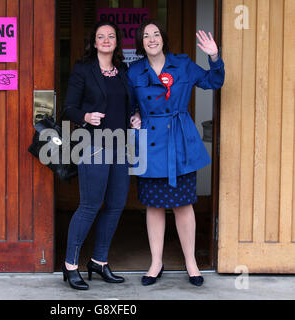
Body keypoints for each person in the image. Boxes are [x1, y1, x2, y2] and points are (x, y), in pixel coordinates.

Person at [127, 20, 225, 287]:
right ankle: (156, 262)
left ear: (163, 38)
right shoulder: (134, 71)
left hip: (180, 140)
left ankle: (191, 262)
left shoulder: (182, 64)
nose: (151, 39)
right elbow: (126, 103)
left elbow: (214, 81)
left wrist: (214, 55)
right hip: (150, 142)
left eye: (156, 34)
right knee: (154, 206)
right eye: (146, 36)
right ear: (141, 43)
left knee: (183, 204)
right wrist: (133, 116)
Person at [61, 21, 141, 290]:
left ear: (117, 42)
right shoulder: (83, 70)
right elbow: (68, 108)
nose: (106, 40)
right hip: (94, 145)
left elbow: (129, 104)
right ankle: (70, 264)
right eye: (100, 37)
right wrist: (85, 116)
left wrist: (136, 115)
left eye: (110, 36)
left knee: (117, 205)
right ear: (94, 42)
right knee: (90, 206)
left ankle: (99, 261)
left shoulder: (124, 72)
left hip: (120, 145)